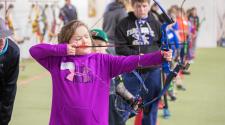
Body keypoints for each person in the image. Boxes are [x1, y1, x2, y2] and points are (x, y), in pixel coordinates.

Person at [29, 20, 172, 125]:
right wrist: (61, 49)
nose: (84, 40)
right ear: (67, 43)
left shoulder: (103, 61)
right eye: (78, 38)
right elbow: (34, 51)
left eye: (86, 36)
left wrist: (159, 56)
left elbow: (131, 61)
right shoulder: (57, 61)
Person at [115, 0, 164, 125]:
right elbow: (120, 48)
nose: (141, 9)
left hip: (153, 71)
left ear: (148, 6)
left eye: (144, 6)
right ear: (132, 6)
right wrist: (136, 56)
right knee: (124, 106)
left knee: (151, 106)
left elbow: (163, 46)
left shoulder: (157, 24)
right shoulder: (123, 24)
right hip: (132, 71)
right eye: (138, 6)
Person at [0, 18, 20, 125]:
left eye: (2, 37)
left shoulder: (13, 51)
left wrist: (4, 118)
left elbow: (10, 88)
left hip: (4, 89)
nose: (0, 42)